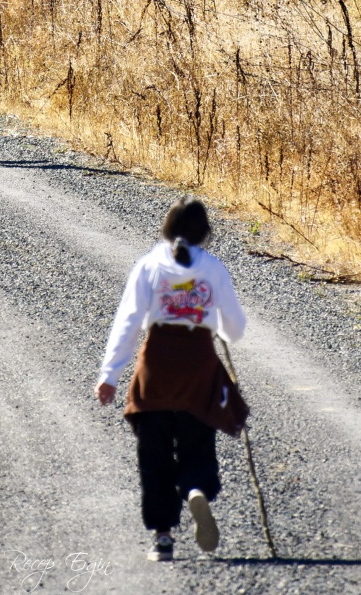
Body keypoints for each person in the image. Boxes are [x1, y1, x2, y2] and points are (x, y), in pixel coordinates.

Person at [95, 197, 247, 562]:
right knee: (198, 443)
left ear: (166, 228)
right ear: (205, 232)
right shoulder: (213, 268)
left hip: (157, 367)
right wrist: (215, 324)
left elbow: (129, 322)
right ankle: (196, 489)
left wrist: (109, 375)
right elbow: (235, 329)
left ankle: (163, 537)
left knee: (154, 453)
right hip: (198, 367)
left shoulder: (149, 265)